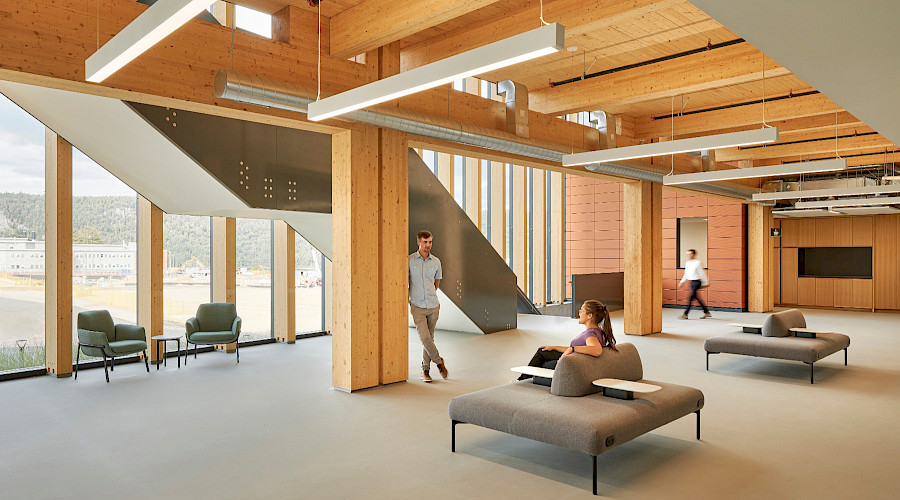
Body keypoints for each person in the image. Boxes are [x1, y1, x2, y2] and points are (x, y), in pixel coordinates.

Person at [517, 299, 617, 380]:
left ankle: (522, 381)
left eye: (581, 311)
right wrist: (554, 347)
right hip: (573, 359)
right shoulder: (599, 331)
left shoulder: (590, 334)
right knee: (543, 351)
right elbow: (580, 348)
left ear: (589, 316)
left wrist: (572, 349)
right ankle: (523, 379)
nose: (579, 313)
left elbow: (597, 350)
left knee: (543, 364)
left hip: (571, 364)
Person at [408, 230, 448, 383]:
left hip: (433, 305)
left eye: (430, 242)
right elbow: (406, 281)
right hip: (417, 306)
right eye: (425, 242)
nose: (428, 245)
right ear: (419, 242)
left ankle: (425, 371)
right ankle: (439, 362)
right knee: (425, 337)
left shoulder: (436, 262)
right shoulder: (410, 260)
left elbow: (436, 283)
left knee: (429, 339)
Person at [679, 248, 711, 319]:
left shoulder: (698, 262)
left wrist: (706, 282)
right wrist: (682, 282)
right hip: (691, 282)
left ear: (694, 254)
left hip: (696, 282)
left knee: (691, 297)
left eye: (690, 254)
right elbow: (686, 274)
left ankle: (685, 314)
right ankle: (706, 312)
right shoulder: (687, 263)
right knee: (696, 297)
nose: (688, 255)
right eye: (687, 254)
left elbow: (702, 273)